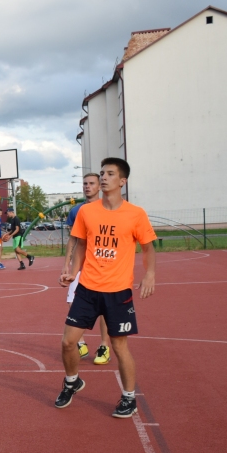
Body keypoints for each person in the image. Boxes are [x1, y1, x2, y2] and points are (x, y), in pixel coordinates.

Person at [55, 158, 157, 418]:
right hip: (88, 288)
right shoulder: (87, 212)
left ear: (122, 181)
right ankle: (71, 382)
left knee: (119, 346)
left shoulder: (136, 214)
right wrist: (72, 272)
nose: (103, 177)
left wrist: (150, 274)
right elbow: (80, 245)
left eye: (110, 174)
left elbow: (148, 247)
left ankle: (129, 397)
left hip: (118, 291)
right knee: (68, 342)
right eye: (102, 173)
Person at [62, 173, 110, 364]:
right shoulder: (76, 211)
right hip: (80, 265)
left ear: (99, 186)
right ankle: (80, 341)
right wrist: (66, 264)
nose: (87, 186)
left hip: (102, 266)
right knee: (73, 303)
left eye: (92, 183)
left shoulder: (108, 208)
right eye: (85, 184)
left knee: (104, 309)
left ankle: (104, 346)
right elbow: (73, 239)